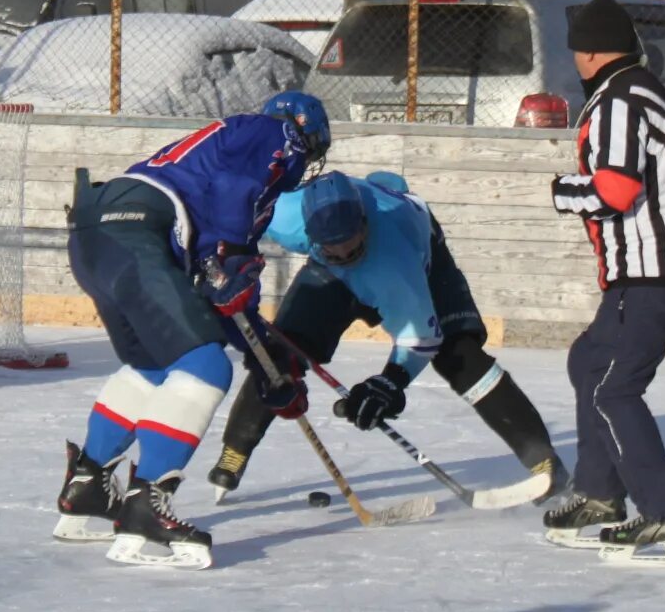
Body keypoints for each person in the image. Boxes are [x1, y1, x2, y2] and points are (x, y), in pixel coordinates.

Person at [52, 92, 327, 569]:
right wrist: (228, 258)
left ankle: (89, 486)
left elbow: (223, 300)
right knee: (204, 367)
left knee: (154, 366)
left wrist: (265, 363)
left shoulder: (223, 172)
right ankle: (146, 506)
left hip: (100, 235)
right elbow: (230, 216)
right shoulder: (269, 133)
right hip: (136, 228)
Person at [209, 168, 565, 503]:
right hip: (328, 272)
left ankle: (543, 461)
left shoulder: (394, 261)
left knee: (461, 357)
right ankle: (233, 452)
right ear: (308, 232)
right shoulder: (284, 216)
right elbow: (225, 218)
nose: (347, 254)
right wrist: (214, 260)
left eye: (352, 242)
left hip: (420, 255)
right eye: (333, 246)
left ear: (364, 222)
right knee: (282, 352)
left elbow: (422, 340)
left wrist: (390, 383)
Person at [544, 0, 665, 564]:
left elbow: (615, 191)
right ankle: (598, 493)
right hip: (656, 270)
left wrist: (563, 191)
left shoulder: (617, 101)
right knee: (588, 362)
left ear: (587, 52)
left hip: (653, 272)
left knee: (612, 389)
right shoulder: (644, 89)